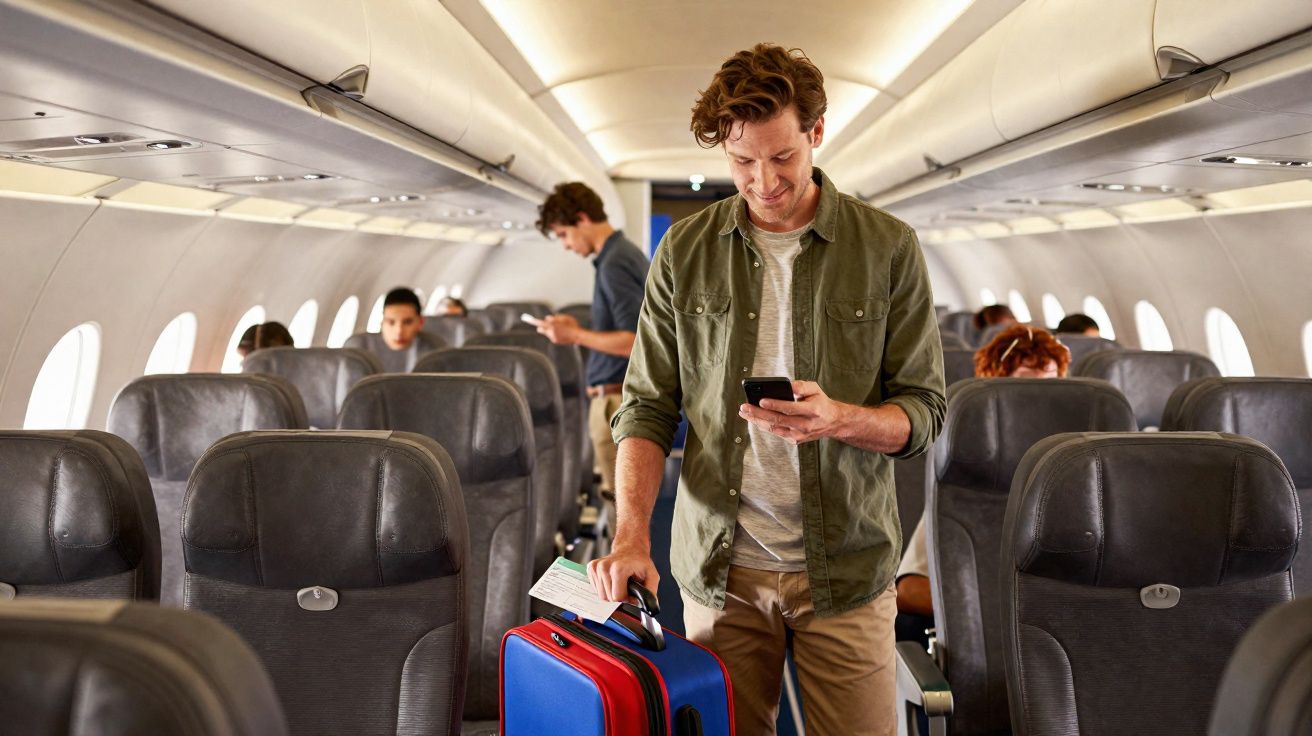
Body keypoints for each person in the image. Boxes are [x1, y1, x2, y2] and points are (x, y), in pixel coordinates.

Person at [591, 43, 946, 735]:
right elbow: (646, 407)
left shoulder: (888, 247)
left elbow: (924, 414)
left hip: (845, 568)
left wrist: (840, 418)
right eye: (742, 161)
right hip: (722, 571)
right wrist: (631, 532)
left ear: (816, 132)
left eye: (782, 156)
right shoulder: (684, 252)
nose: (764, 180)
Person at [895, 323, 1070, 627]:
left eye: (1052, 385)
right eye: (1026, 385)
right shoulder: (968, 468)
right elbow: (908, 591)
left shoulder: (1076, 474)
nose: (1041, 399)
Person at [534, 182, 649, 504]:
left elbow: (633, 341)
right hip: (618, 397)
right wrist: (581, 328)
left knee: (622, 506)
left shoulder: (615, 263)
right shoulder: (619, 255)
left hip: (616, 401)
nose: (566, 246)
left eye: (563, 234)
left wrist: (574, 336)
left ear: (582, 218)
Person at [345, 287, 442, 372]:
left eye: (407, 322)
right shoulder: (359, 348)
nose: (399, 331)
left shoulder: (435, 350)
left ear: (420, 322)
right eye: (391, 322)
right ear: (382, 323)